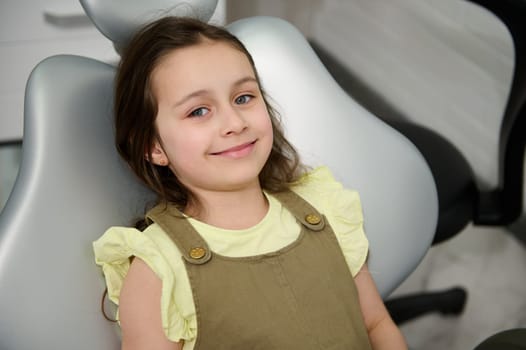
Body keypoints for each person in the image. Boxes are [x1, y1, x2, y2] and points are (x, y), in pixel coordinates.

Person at [93, 16, 408, 350]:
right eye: (199, 111)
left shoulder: (324, 207)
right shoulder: (158, 270)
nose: (234, 122)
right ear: (153, 147)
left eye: (243, 97)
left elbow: (375, 324)